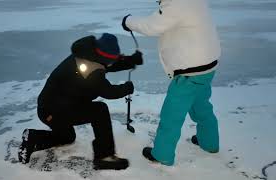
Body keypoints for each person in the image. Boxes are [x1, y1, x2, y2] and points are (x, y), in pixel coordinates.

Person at [18, 33, 143, 170]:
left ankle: (33, 138)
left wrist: (130, 60)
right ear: (103, 56)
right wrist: (127, 88)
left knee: (67, 137)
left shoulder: (87, 52)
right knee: (99, 110)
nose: (111, 62)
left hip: (52, 107)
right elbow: (108, 92)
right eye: (111, 59)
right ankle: (104, 157)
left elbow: (108, 64)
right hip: (54, 111)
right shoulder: (90, 69)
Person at [122, 0, 221, 166]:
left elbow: (152, 26)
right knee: (201, 105)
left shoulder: (176, 4)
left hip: (190, 71)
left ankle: (162, 155)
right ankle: (209, 142)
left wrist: (128, 21)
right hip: (207, 65)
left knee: (172, 115)